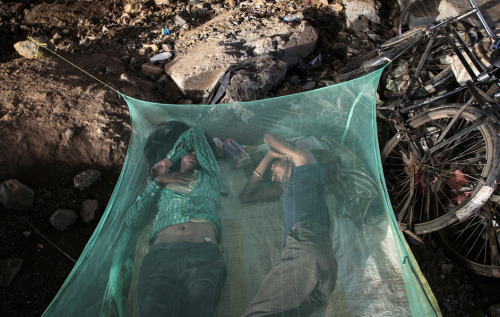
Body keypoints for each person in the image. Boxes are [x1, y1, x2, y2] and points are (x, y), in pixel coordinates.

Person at [124, 121, 227, 317]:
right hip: (161, 257)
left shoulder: (210, 177)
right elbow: (132, 220)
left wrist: (169, 160)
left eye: (196, 152)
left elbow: (195, 134)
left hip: (203, 255)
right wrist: (158, 182)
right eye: (187, 151)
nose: (193, 154)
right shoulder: (162, 187)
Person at [239, 132, 337, 317]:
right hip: (321, 262)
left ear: (287, 158)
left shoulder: (305, 164)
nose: (273, 177)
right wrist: (269, 159)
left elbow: (267, 136)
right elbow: (245, 196)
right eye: (271, 176)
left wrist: (274, 153)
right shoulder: (282, 190)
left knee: (258, 313)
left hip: (306, 247)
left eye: (273, 170)